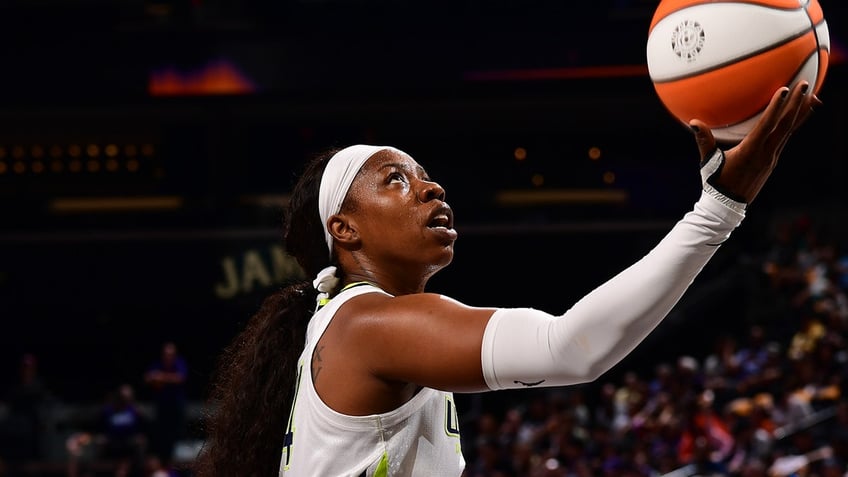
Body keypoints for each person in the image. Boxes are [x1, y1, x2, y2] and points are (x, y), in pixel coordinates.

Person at [192, 81, 821, 477]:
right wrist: (717, 211)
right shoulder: (367, 323)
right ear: (345, 229)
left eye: (425, 173)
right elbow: (569, 349)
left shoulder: (360, 329)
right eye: (395, 179)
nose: (430, 186)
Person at [143, 341, 188, 465]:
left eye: (170, 354)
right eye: (165, 354)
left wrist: (161, 377)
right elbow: (147, 378)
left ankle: (175, 465)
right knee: (161, 436)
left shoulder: (179, 362)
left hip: (175, 406)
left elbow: (181, 378)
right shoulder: (157, 364)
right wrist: (153, 378)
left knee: (176, 435)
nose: (168, 356)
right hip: (161, 407)